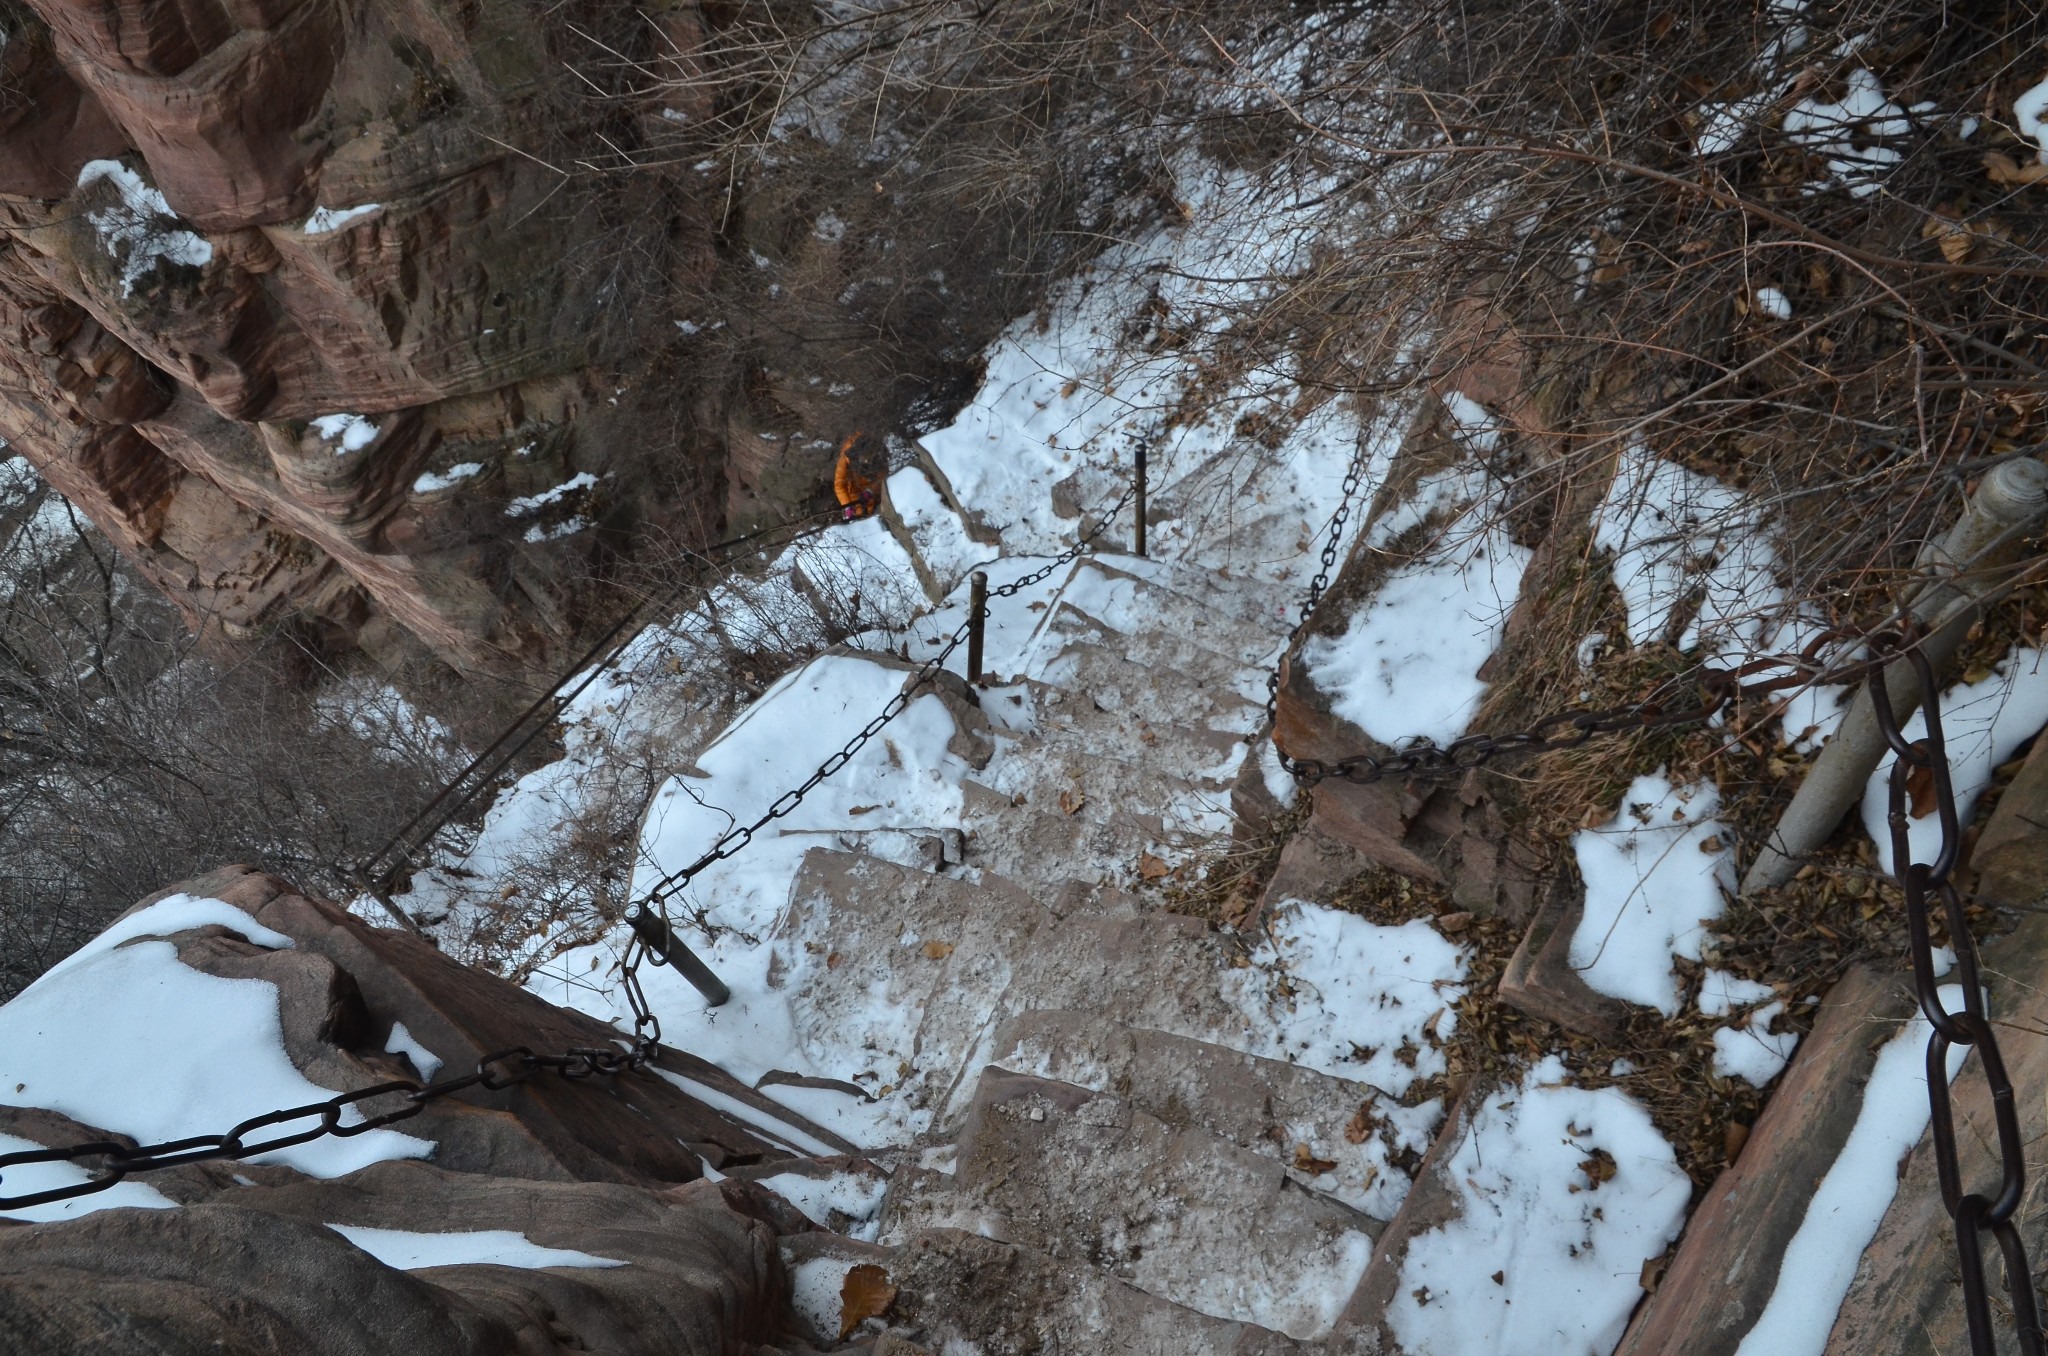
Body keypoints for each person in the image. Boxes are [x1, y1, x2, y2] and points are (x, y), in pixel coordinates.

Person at [834, 430, 882, 519]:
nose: (866, 461)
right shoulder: (845, 459)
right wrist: (847, 505)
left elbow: (883, 477)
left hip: (873, 490)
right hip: (855, 490)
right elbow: (839, 485)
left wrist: (871, 491)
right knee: (858, 513)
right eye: (864, 459)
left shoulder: (878, 453)